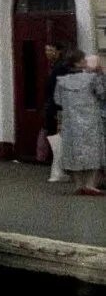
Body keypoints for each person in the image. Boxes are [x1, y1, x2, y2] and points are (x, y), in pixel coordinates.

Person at [53, 51, 106, 196]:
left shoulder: (61, 81)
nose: (86, 62)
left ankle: (78, 184)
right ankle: (90, 184)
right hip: (91, 121)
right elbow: (102, 94)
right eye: (83, 60)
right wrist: (101, 74)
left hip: (70, 122)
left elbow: (58, 100)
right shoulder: (93, 78)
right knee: (94, 151)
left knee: (73, 152)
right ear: (78, 63)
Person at [43, 41, 74, 182]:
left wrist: (57, 110)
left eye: (50, 50)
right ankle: (57, 170)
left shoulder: (60, 68)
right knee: (56, 140)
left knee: (58, 140)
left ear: (59, 51)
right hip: (53, 108)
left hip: (57, 108)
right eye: (46, 50)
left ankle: (58, 170)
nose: (48, 53)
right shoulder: (54, 67)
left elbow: (57, 91)